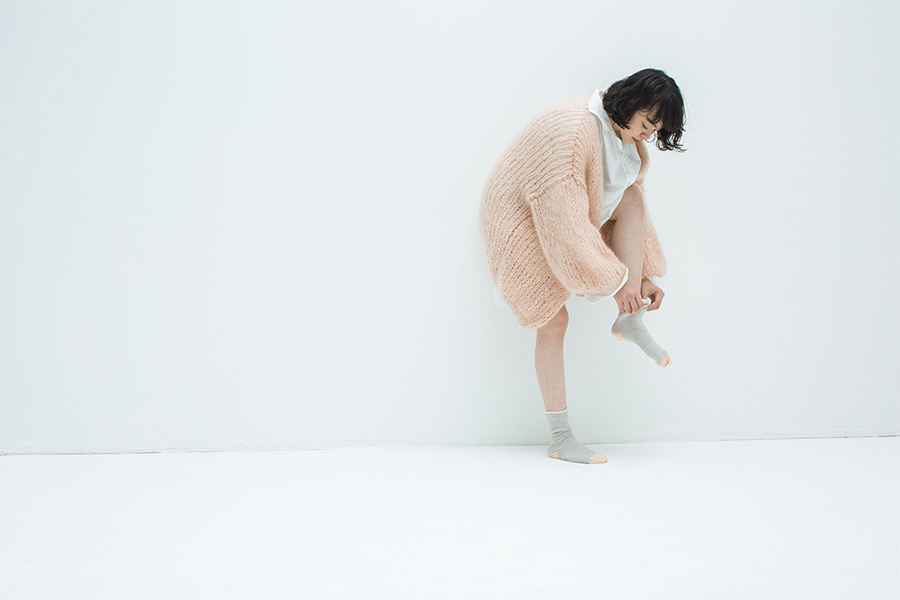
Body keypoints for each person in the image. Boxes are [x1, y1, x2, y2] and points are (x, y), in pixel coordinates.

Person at [478, 68, 687, 464]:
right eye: (646, 124)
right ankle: (560, 438)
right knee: (553, 320)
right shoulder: (573, 131)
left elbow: (624, 200)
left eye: (656, 131)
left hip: (558, 210)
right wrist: (617, 282)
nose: (647, 136)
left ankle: (629, 318)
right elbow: (566, 223)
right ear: (630, 104)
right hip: (518, 218)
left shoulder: (625, 140)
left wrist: (641, 276)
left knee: (633, 200)